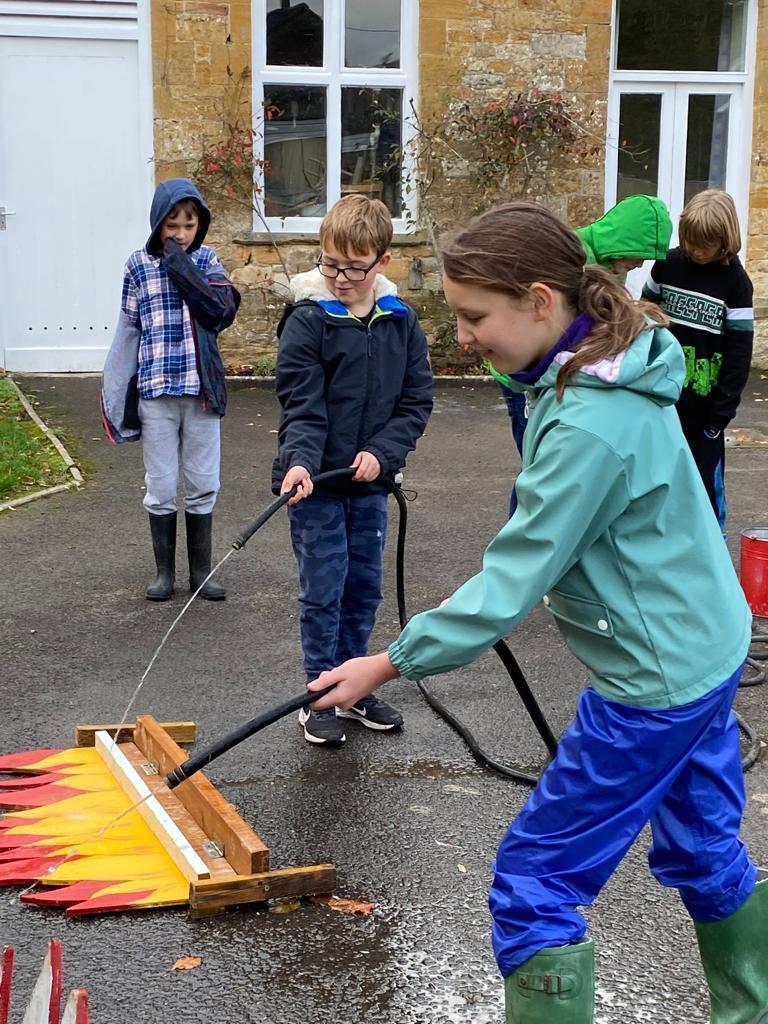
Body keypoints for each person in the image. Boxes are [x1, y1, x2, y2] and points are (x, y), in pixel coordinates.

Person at [308, 203, 765, 1022]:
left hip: (658, 682)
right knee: (704, 848)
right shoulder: (602, 364)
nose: (462, 337)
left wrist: (388, 662)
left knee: (535, 882)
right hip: (707, 646)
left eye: (475, 316)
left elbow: (515, 578)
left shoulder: (592, 418)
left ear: (542, 302)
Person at [273, 193, 433, 746]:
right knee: (324, 589)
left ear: (382, 261)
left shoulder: (401, 321)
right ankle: (320, 693)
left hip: (371, 484)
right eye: (330, 264)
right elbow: (301, 405)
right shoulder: (308, 320)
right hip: (315, 486)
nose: (340, 278)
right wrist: (300, 462)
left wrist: (383, 454)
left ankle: (354, 688)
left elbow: (415, 402)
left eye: (354, 268)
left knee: (363, 589)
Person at [101, 178, 240, 601]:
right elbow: (128, 330)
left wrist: (180, 263)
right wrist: (114, 394)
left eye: (189, 225)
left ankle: (201, 572)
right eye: (171, 225)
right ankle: (164, 573)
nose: (180, 234)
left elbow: (219, 312)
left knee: (203, 481)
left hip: (201, 393)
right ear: (157, 222)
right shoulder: (137, 265)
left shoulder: (208, 261)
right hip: (156, 392)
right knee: (161, 485)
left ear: (201, 225)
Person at [501, 194, 672, 515]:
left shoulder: (611, 264)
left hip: (560, 373)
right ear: (625, 241)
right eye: (640, 254)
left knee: (559, 468)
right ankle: (524, 530)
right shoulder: (574, 256)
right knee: (539, 468)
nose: (640, 265)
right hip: (529, 374)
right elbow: (553, 328)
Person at [643, 189, 753, 532]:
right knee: (656, 478)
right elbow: (643, 314)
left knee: (704, 486)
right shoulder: (669, 264)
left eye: (705, 245)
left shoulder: (736, 284)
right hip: (662, 399)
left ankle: (712, 545)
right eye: (689, 240)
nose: (695, 250)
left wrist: (721, 415)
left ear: (725, 241)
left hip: (705, 411)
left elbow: (739, 354)